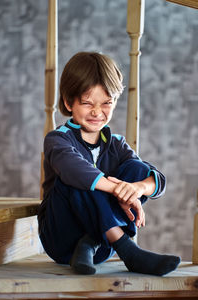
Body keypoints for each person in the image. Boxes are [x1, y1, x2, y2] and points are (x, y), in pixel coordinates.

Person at [38, 52, 180, 276]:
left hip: (100, 249)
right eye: (87, 103)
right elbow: (74, 169)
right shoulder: (58, 139)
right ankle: (128, 250)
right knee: (77, 175)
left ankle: (90, 241)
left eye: (106, 103)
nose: (97, 112)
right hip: (61, 237)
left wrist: (135, 189)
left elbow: (158, 181)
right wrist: (115, 188)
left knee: (139, 169)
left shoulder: (116, 143)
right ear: (68, 102)